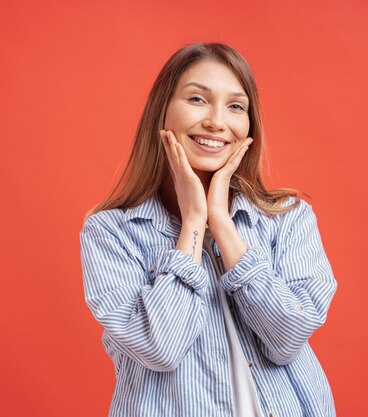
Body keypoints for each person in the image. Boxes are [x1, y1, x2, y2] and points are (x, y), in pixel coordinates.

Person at [79, 42, 338, 417]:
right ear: (162, 112)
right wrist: (194, 224)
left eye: (236, 106)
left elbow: (288, 337)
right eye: (197, 99)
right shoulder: (111, 232)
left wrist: (222, 221)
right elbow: (160, 347)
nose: (217, 121)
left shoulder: (288, 218)